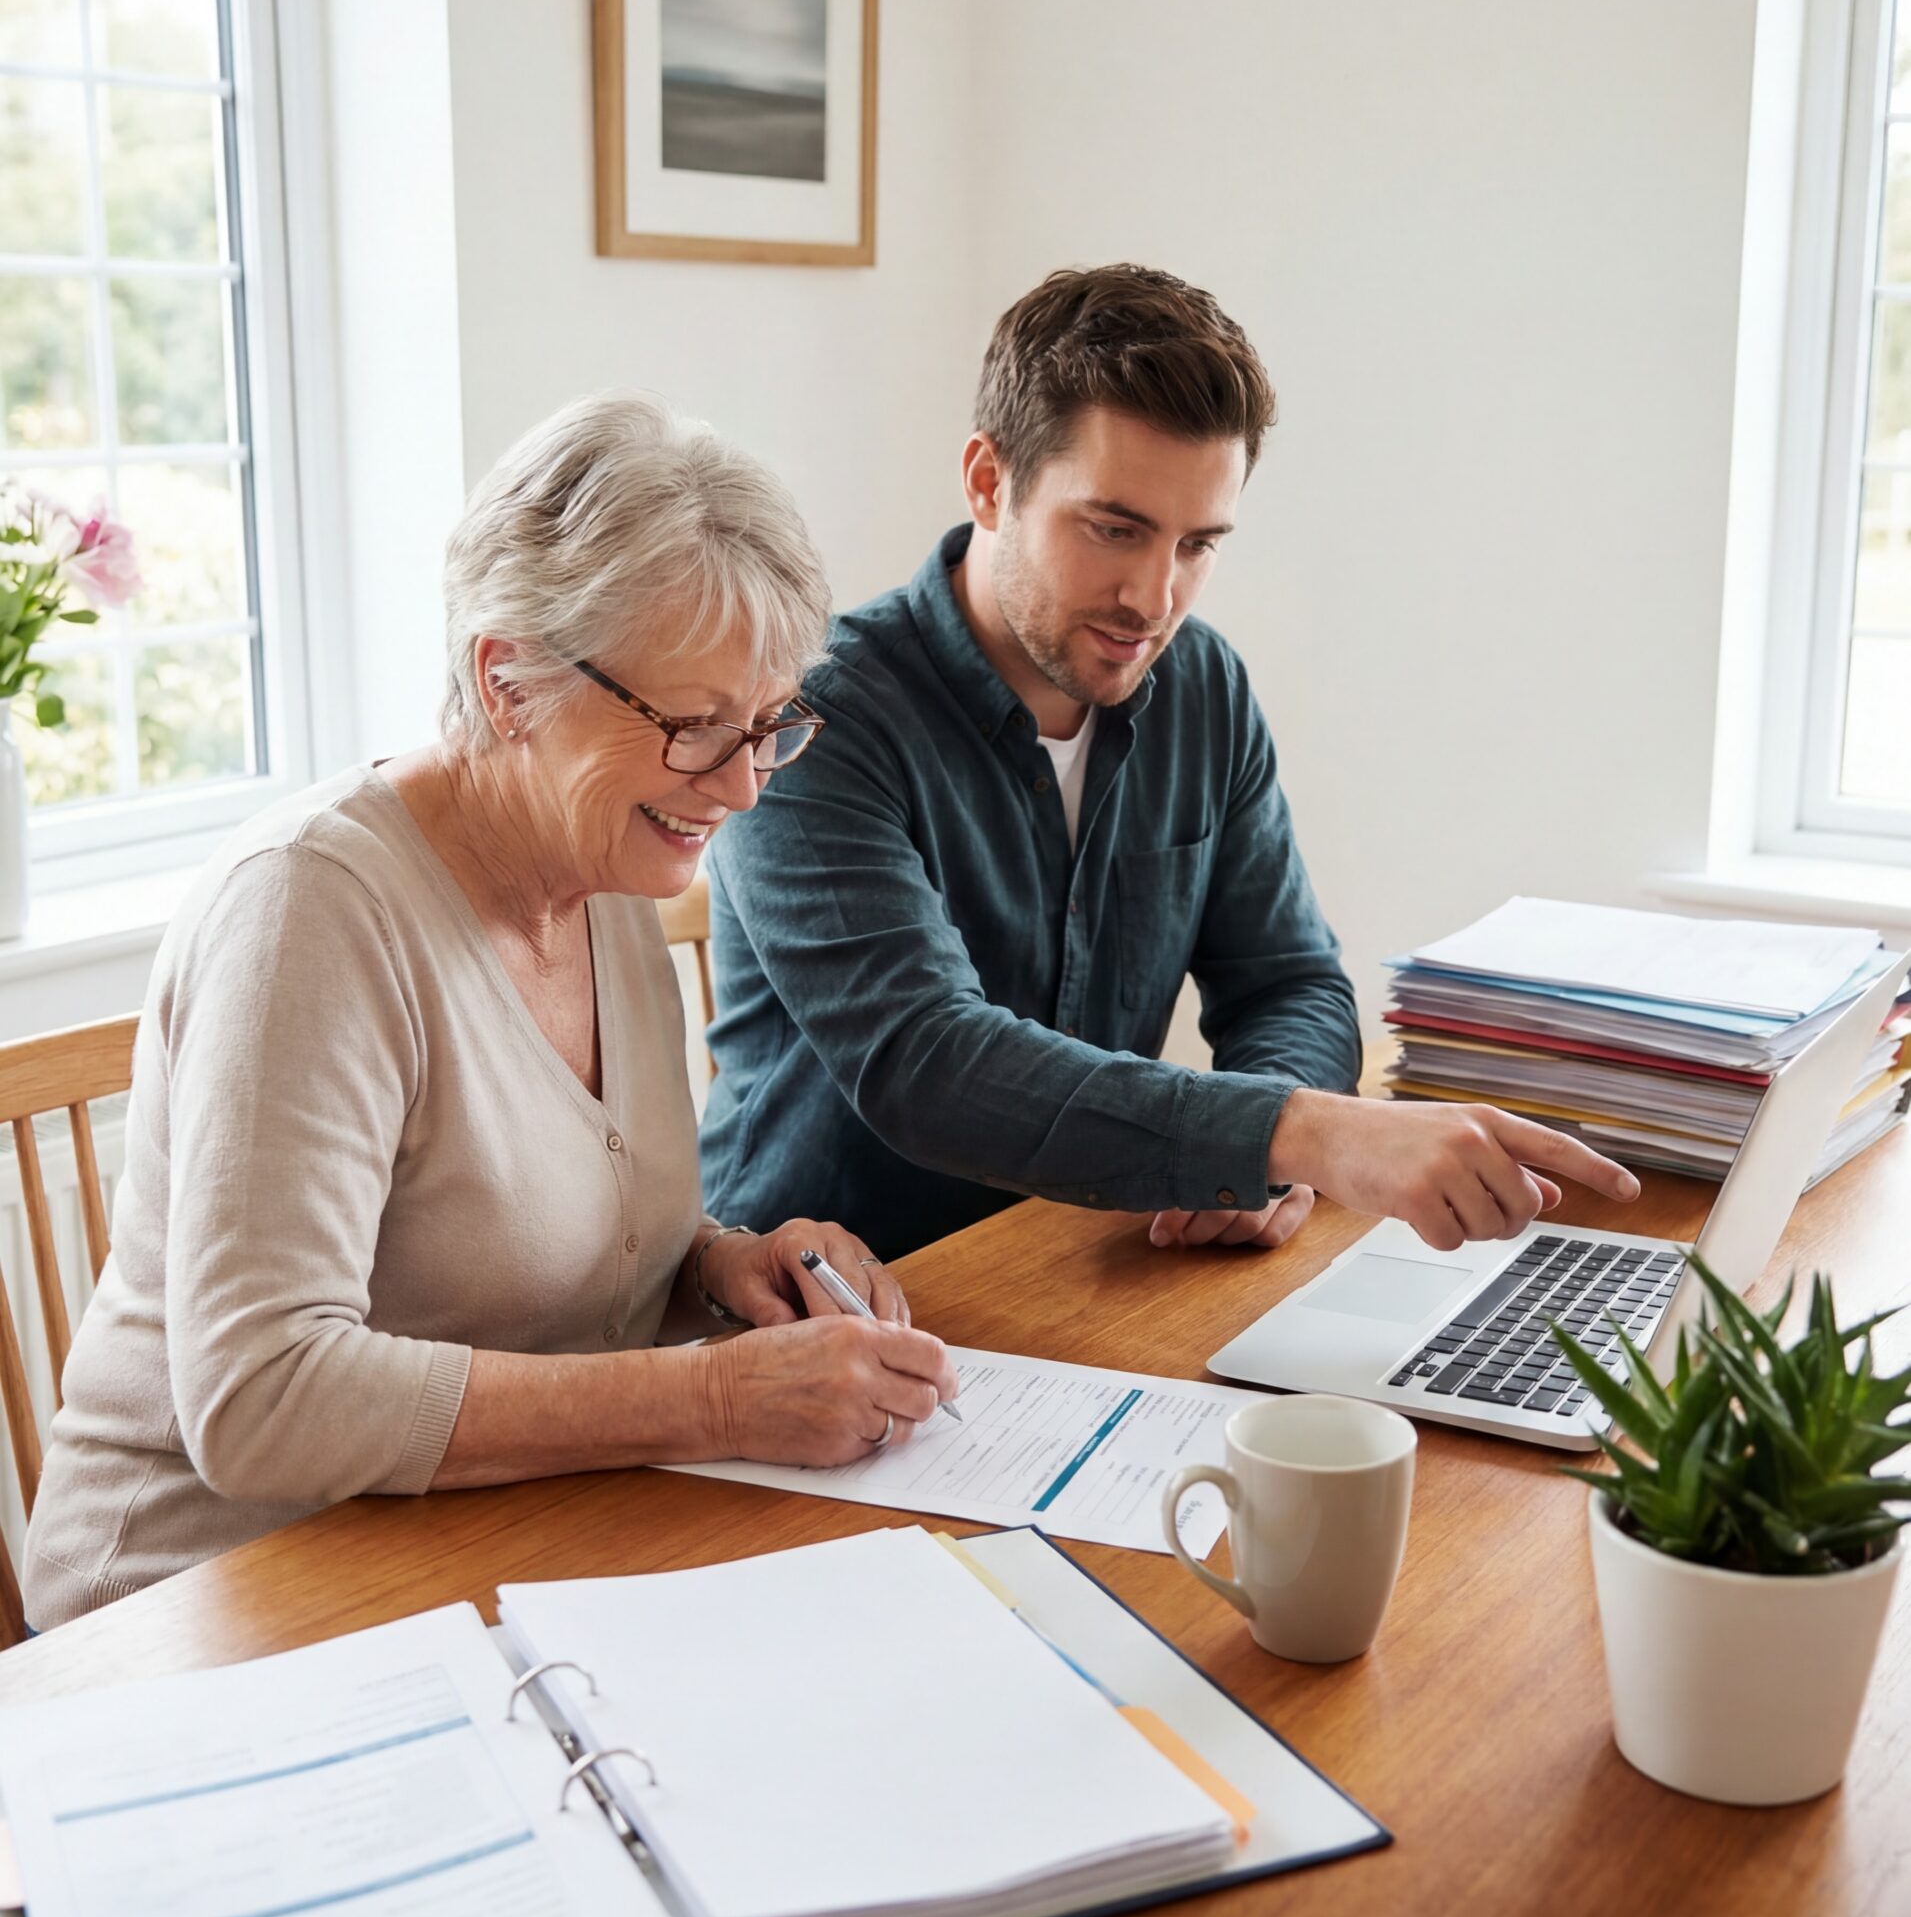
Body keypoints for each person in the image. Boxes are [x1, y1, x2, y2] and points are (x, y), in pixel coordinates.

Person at [24, 397, 957, 1630]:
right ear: (507, 682)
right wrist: (715, 1399)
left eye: (763, 726)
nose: (740, 786)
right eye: (694, 728)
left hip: (470, 1546)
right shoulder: (309, 909)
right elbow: (262, 1396)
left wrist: (722, 1268)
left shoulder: (607, 867)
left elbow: (522, 1241)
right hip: (196, 1605)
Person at [701, 265, 1639, 1263]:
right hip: (838, 1294)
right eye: (1115, 530)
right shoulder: (809, 713)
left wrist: (1263, 1159)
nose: (1154, 599)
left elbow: (1287, 984)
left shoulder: (1201, 687)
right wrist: (1296, 1134)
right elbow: (926, 1062)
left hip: (1093, 1264)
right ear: (988, 481)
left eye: (1197, 544)